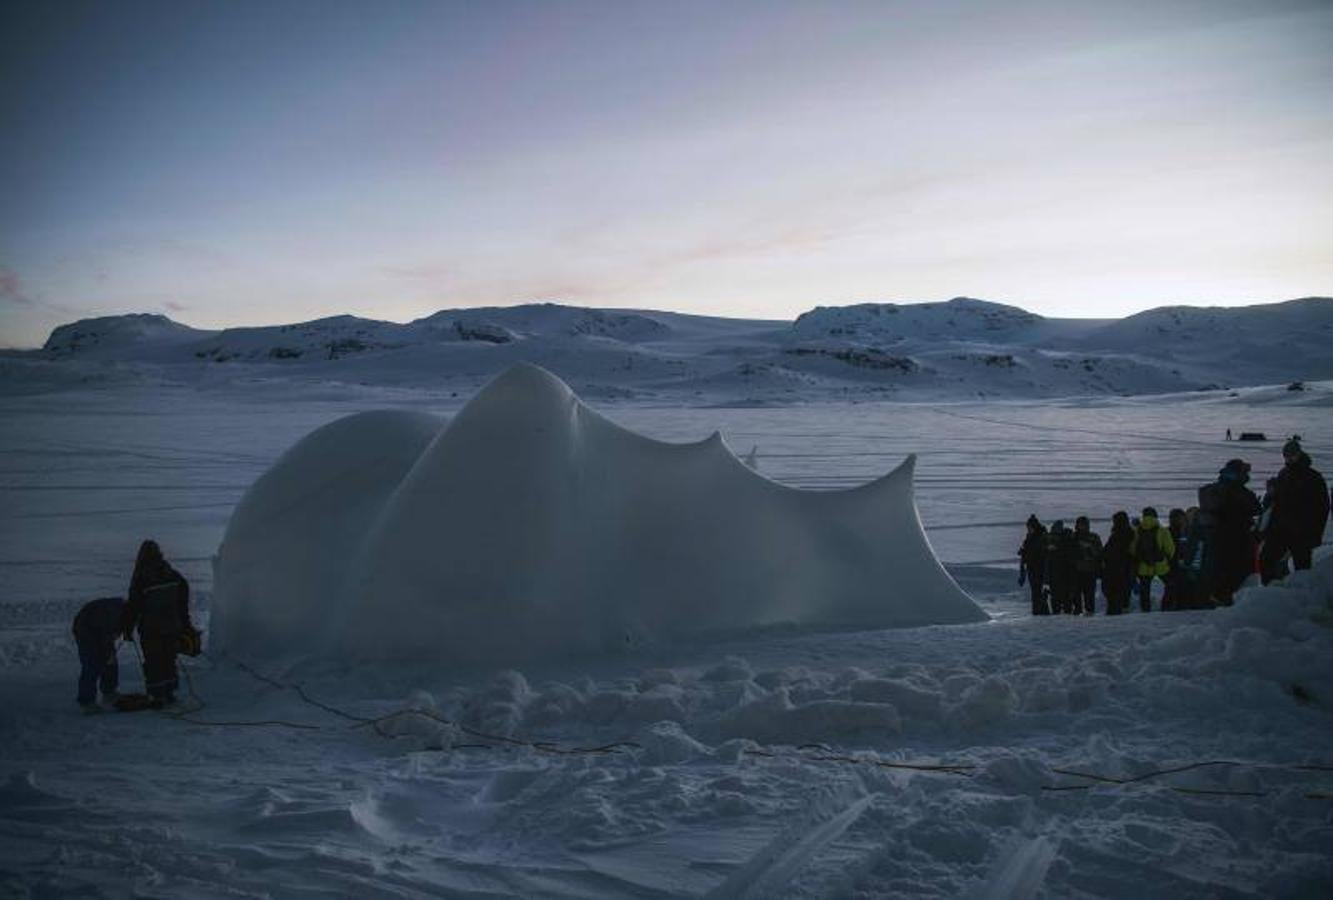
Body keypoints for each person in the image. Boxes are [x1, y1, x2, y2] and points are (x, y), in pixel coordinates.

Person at [123, 540, 193, 705]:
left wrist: (127, 628)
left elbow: (134, 605)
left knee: (154, 661)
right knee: (169, 658)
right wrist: (184, 623)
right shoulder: (171, 573)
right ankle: (169, 693)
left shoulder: (141, 577)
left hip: (151, 628)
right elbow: (183, 593)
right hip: (172, 626)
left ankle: (157, 695)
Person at [1260, 439, 1329, 582]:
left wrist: (1315, 534)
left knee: (1302, 569)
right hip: (1280, 529)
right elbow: (1275, 503)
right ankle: (1271, 594)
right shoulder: (1284, 473)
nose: (1289, 458)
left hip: (1302, 532)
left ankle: (1302, 598)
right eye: (1286, 455)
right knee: (1266, 559)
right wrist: (1270, 495)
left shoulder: (1313, 477)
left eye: (1292, 455)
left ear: (1299, 454)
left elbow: (1322, 508)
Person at [1197, 459, 1261, 605]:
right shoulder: (1237, 491)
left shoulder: (1220, 488)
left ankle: (1218, 597)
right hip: (1236, 537)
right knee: (1237, 570)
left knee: (1222, 569)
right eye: (1245, 472)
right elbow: (1255, 508)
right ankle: (1224, 600)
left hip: (1219, 537)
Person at [72, 596, 126, 712]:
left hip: (100, 629)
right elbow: (106, 636)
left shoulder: (125, 612)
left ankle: (109, 693)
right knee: (92, 664)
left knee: (110, 662)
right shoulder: (115, 614)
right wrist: (108, 653)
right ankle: (87, 702)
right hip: (85, 629)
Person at [1129, 507, 1174, 612]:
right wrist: (1167, 559)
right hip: (1160, 564)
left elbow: (1132, 549)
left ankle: (1145, 610)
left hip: (1143, 565)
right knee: (1170, 584)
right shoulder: (1162, 530)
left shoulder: (1137, 530)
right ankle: (1166, 606)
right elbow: (1170, 548)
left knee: (1145, 589)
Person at [1101, 511, 1135, 615]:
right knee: (1123, 597)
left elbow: (1107, 553)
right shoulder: (1131, 534)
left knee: (1113, 598)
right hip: (1125, 570)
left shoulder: (1116, 536)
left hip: (1114, 571)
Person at [1071, 516, 1103, 615]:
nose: (1083, 527)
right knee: (1076, 595)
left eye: (1085, 525)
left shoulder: (1094, 537)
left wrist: (1090, 550)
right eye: (1081, 525)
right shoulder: (1073, 537)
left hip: (1090, 570)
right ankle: (1078, 611)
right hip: (1077, 570)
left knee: (1089, 595)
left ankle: (1089, 612)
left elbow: (1100, 553)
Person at [1018, 515, 1049, 615]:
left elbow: (1042, 553)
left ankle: (1041, 611)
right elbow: (1025, 554)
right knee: (1035, 592)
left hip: (1040, 568)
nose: (1029, 529)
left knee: (1040, 592)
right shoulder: (1029, 538)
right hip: (1032, 568)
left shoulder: (1041, 537)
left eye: (1030, 527)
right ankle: (1037, 611)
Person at [1044, 520, 1076, 614]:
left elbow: (1048, 563)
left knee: (1058, 599)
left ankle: (1060, 612)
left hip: (1059, 574)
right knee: (1064, 598)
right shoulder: (1066, 542)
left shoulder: (1055, 545)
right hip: (1064, 574)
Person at [1161, 508, 1189, 610]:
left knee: (1172, 588)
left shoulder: (1167, 531)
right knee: (1175, 588)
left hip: (1171, 565)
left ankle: (1170, 608)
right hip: (1176, 565)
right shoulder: (1185, 532)